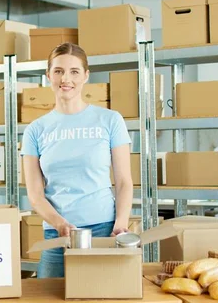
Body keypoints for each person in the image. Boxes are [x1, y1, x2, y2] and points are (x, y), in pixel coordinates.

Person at [21, 43, 134, 278]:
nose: (66, 78)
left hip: (104, 229)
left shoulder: (110, 120)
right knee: (50, 296)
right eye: (59, 71)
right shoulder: (35, 130)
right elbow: (35, 195)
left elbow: (123, 181)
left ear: (86, 76)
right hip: (57, 234)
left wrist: (121, 224)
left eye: (74, 71)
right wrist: (59, 223)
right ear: (48, 76)